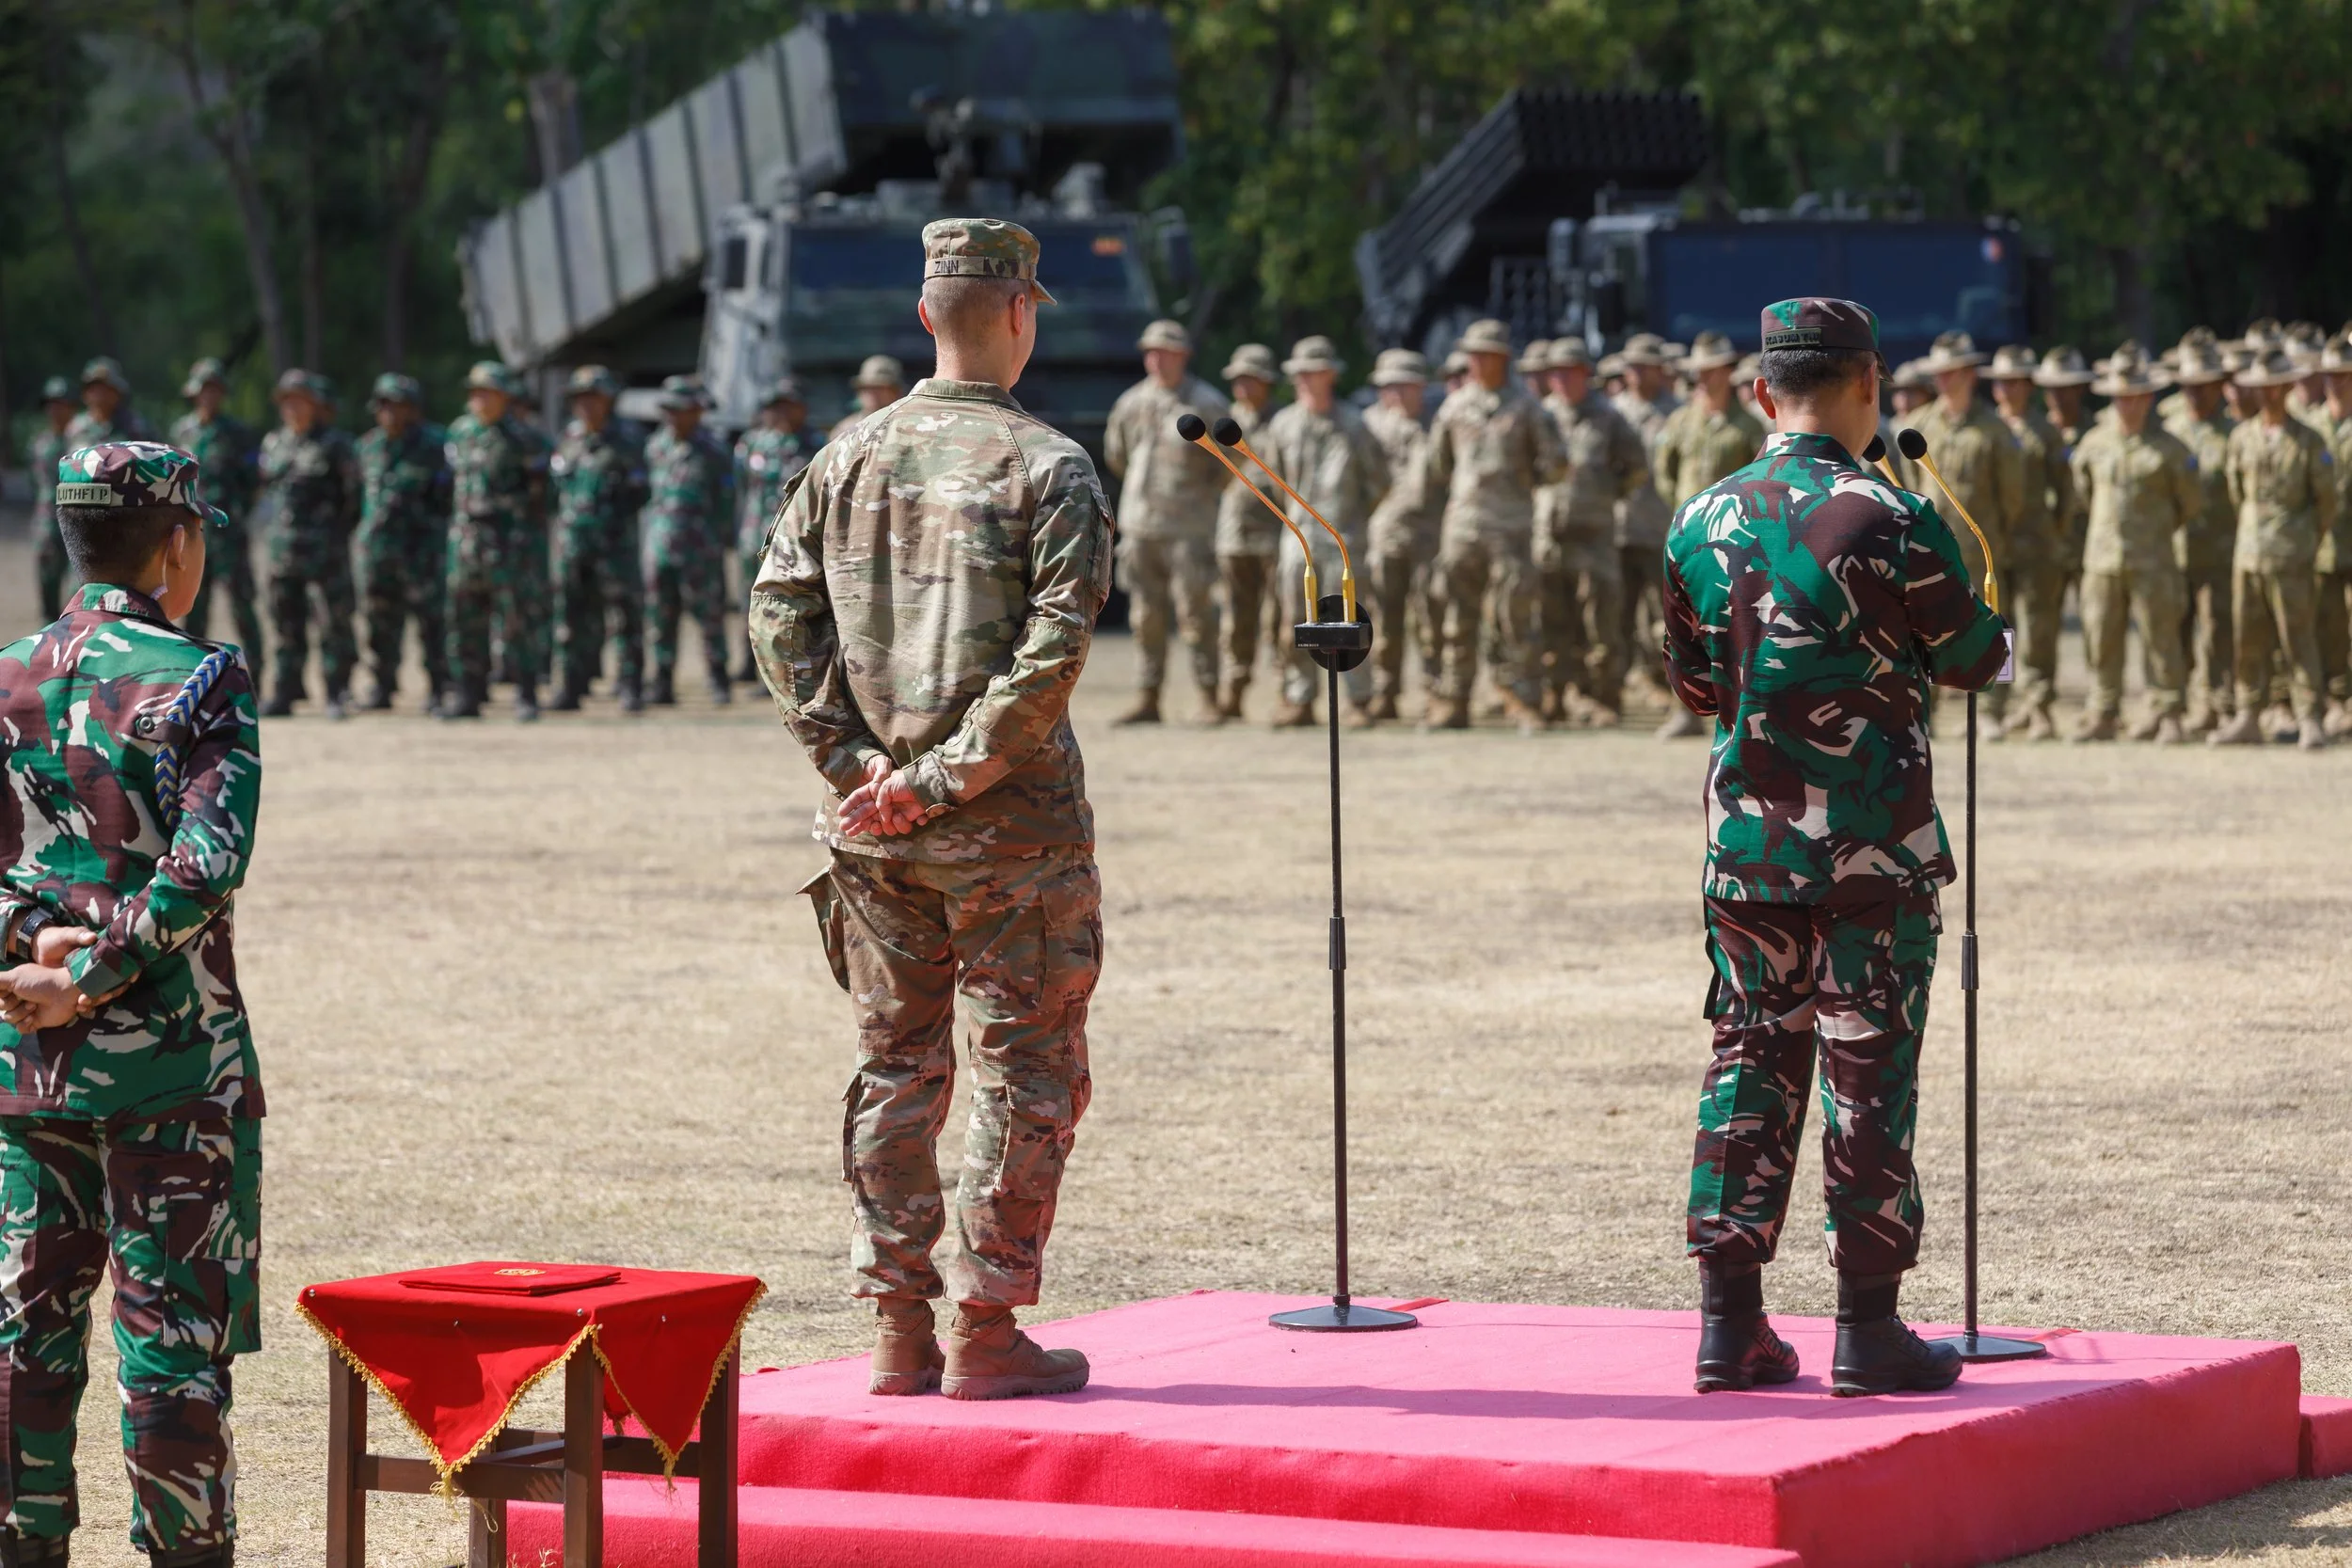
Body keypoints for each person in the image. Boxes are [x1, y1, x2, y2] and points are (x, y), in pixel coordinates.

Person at [751, 216, 1107, 1402]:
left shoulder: (845, 454)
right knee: (1024, 1066)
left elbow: (777, 613)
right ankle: (986, 1325)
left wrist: (853, 764)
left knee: (895, 1064)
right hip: (1006, 833)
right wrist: (940, 777)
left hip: (878, 835)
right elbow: (1051, 657)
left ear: (923, 315)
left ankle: (898, 1325)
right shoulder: (1050, 466)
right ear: (1019, 313)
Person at [1664, 298, 2004, 1401]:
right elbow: (1971, 658)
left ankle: (1730, 1324)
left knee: (1749, 1055)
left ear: (1763, 391)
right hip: (1869, 850)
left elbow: (1694, 683)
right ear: (1871, 384)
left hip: (1749, 849)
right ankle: (1868, 1329)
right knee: (1868, 1069)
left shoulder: (1697, 518)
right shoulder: (1892, 513)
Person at [0, 441, 263, 1568]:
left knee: (23, 1335)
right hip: (168, 1068)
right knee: (172, 1344)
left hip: (25, 1063)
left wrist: (31, 947)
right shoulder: (198, 675)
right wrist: (96, 972)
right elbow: (206, 864)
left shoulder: (7, 672)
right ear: (177, 542)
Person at [1422, 320, 1564, 730]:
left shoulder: (1527, 407)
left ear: (1503, 358)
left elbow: (1555, 464)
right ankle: (1455, 700)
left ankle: (1523, 700)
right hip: (1462, 527)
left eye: (1486, 355)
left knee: (1515, 617)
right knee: (1456, 616)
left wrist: (1521, 486)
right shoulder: (1453, 407)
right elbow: (1438, 465)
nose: (1478, 363)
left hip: (1512, 527)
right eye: (1473, 355)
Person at [1891, 331, 2024, 734]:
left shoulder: (1996, 430)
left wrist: (1995, 535)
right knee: (1918, 625)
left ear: (1969, 374)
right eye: (1940, 374)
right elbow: (1909, 483)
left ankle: (1991, 711)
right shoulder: (1918, 426)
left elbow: (2012, 496)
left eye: (1952, 373)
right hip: (1929, 549)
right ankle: (1923, 710)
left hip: (1981, 546)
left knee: (1994, 625)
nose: (1944, 381)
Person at [1102, 319, 1230, 724]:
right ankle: (1148, 696)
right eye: (1151, 352)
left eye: (1166, 352)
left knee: (1196, 615)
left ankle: (1210, 695)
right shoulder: (1131, 402)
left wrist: (1200, 499)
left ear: (1184, 355)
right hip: (1141, 526)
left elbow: (1229, 464)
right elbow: (1117, 455)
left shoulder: (1206, 403)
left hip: (1189, 528)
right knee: (1145, 617)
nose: (1157, 359)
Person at [2069, 347, 2198, 744]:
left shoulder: (2171, 450)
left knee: (2162, 638)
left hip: (2154, 558)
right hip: (2103, 558)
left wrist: (2155, 533)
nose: (2127, 405)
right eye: (2120, 397)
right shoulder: (2093, 443)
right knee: (2100, 637)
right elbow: (2084, 491)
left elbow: (2188, 504)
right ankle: (2104, 711)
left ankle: (2168, 711)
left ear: (2149, 398)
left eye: (2135, 397)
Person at [2213, 347, 2339, 749]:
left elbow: (2326, 502)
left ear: (2288, 387)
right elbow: (2237, 493)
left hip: (2292, 556)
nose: (2268, 394)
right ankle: (2249, 713)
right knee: (2247, 638)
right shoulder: (2242, 437)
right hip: (2249, 554)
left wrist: (2303, 540)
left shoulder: (2308, 439)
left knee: (2298, 638)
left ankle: (2309, 716)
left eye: (2276, 387)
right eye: (2262, 387)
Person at [1261, 336, 1390, 727]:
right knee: (1295, 621)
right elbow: (1273, 479)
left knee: (1350, 619)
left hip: (1344, 541)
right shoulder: (1283, 424)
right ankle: (1299, 698)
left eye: (1311, 373)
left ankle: (1358, 700)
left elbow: (1378, 482)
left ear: (1330, 375)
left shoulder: (1354, 424)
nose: (1303, 380)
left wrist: (1348, 522)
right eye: (1298, 373)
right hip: (1297, 540)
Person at [1650, 331, 1764, 738]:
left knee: (1736, 626)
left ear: (1728, 372)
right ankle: (1683, 710)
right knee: (1681, 625)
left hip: (1736, 545)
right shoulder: (1681, 422)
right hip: (1689, 545)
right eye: (1697, 372)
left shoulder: (1748, 427)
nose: (1702, 379)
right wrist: (1685, 516)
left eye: (1710, 371)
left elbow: (1760, 478)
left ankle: (1739, 710)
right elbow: (1664, 471)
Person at [1534, 338, 1645, 727]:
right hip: (1549, 534)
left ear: (1585, 374)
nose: (1561, 379)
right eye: (1555, 372)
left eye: (1569, 371)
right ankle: (1557, 694)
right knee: (1553, 619)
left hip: (1595, 535)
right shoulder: (1540, 415)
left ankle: (1603, 697)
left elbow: (1635, 467)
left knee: (1600, 619)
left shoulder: (1608, 417)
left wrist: (1606, 496)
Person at [442, 360, 552, 721]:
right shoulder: (459, 433)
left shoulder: (527, 439)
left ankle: (525, 693)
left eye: (487, 392)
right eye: (475, 392)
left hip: (511, 547)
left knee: (518, 622)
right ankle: (468, 694)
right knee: (465, 622)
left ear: (505, 397)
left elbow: (544, 496)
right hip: (467, 543)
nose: (480, 399)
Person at [255, 369, 361, 720]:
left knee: (333, 625)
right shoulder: (274, 443)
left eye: (299, 400)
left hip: (325, 551)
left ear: (316, 405)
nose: (292, 408)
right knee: (285, 625)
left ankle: (336, 691)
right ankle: (286, 691)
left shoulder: (336, 445)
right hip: (282, 552)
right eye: (287, 401)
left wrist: (334, 533)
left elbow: (354, 499)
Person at [549, 366, 650, 712]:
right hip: (574, 546)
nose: (586, 405)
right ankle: (570, 687)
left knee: (625, 618)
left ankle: (629, 687)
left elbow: (641, 492)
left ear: (608, 400)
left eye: (593, 398)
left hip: (615, 548)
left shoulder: (628, 441)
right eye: (580, 399)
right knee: (572, 619)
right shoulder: (568, 439)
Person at [1982, 345, 2070, 741]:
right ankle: (1997, 704)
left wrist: (2054, 530)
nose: (2007, 389)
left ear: (2029, 386)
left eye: (2015, 382)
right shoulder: (1987, 428)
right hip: (1996, 545)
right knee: (1999, 627)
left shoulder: (2045, 431)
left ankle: (2038, 706)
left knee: (2038, 627)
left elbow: (2066, 492)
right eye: (2001, 382)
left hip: (2037, 543)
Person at [353, 372, 452, 712]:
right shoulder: (367, 447)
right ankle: (382, 686)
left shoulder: (436, 446)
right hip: (378, 552)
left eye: (399, 406)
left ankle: (439, 688)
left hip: (421, 552)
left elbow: (449, 497)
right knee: (380, 624)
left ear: (413, 409)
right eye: (384, 406)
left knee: (432, 623)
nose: (391, 412)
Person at [641, 375, 737, 706]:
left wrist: (720, 539)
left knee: (709, 617)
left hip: (701, 549)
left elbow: (726, 503)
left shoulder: (714, 451)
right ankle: (662, 681)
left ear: (696, 412)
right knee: (660, 618)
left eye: (680, 410)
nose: (673, 417)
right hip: (660, 547)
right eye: (668, 410)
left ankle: (718, 679)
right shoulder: (655, 446)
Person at [2163, 339, 2240, 734]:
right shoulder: (2168, 430)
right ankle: (2178, 708)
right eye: (2190, 384)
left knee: (2216, 631)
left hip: (2219, 551)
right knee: (2175, 633)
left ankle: (2219, 705)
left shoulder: (2234, 433)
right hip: (2175, 552)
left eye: (2205, 384)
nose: (2196, 392)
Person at [1361, 348, 1438, 723]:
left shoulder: (1437, 424)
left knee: (1432, 618)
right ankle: (1384, 691)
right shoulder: (1366, 427)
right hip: (1383, 537)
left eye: (1406, 386)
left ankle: (1434, 692)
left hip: (1430, 538)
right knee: (1383, 620)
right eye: (1390, 387)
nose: (1398, 394)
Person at [168, 359, 262, 656]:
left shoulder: (239, 434)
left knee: (242, 606)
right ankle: (193, 678)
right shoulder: (182, 432)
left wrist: (235, 514)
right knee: (192, 607)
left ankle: (255, 676)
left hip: (229, 535)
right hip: (192, 536)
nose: (209, 397)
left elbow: (253, 483)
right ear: (194, 394)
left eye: (215, 391)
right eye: (204, 391)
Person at [732, 377, 821, 684]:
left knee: (784, 607)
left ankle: (779, 671)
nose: (781, 413)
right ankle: (748, 662)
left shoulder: (815, 445)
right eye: (775, 407)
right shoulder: (753, 443)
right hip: (753, 536)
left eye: (788, 406)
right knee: (750, 603)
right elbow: (741, 488)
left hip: (792, 542)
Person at [1211, 343, 1281, 721]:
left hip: (1273, 534)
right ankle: (1233, 693)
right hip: (1233, 534)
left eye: (1250, 378)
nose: (1242, 385)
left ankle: (1286, 693)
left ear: (1266, 381)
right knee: (1235, 618)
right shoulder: (1221, 422)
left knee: (1278, 618)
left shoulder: (1282, 422)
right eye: (1237, 379)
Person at [1611, 333, 1680, 702]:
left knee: (1663, 616)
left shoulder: (1676, 413)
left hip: (1660, 529)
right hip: (1618, 527)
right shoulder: (1613, 411)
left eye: (1644, 367)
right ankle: (1614, 686)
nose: (1637, 374)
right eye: (1632, 367)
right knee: (1615, 613)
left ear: (1659, 370)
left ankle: (1664, 684)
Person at [2305, 337, 2352, 732]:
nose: (2338, 383)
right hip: (2322, 547)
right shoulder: (2310, 427)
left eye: (2346, 375)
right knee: (2329, 627)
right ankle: (2338, 700)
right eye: (2332, 376)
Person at [25, 378, 77, 621]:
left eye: (61, 403)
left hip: (77, 523)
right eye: (51, 404)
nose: (55, 410)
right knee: (47, 587)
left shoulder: (81, 441)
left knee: (77, 590)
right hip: (47, 525)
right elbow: (34, 484)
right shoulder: (39, 444)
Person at [831, 356, 906, 442]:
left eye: (879, 387)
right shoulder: (845, 430)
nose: (872, 393)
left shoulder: (910, 427)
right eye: (866, 387)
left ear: (896, 392)